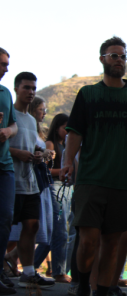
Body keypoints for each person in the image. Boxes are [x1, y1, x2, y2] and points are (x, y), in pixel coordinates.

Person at [60, 37, 127, 296]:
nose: (119, 60)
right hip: (90, 178)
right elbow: (74, 132)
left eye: (123, 56)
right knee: (88, 241)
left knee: (113, 243)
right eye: (114, 56)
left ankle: (102, 291)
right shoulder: (88, 94)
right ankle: (81, 286)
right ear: (102, 59)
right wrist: (68, 161)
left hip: (123, 181)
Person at [8, 72, 55, 289]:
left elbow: (37, 146)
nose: (31, 92)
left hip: (31, 183)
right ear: (17, 89)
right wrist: (17, 153)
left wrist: (39, 154)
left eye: (33, 88)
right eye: (26, 87)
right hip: (9, 180)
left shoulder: (31, 120)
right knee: (5, 228)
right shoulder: (10, 115)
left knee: (33, 225)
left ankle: (28, 272)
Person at [33, 108, 72, 284]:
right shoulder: (50, 144)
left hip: (68, 187)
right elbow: (45, 170)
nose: (68, 130)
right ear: (57, 128)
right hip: (54, 186)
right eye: (65, 127)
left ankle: (18, 260)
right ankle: (58, 271)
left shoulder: (68, 144)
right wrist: (63, 170)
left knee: (55, 234)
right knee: (59, 232)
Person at [0, 47, 18, 295]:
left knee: (5, 218)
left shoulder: (5, 92)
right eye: (3, 63)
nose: (6, 67)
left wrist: (7, 132)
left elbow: (13, 123)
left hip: (5, 166)